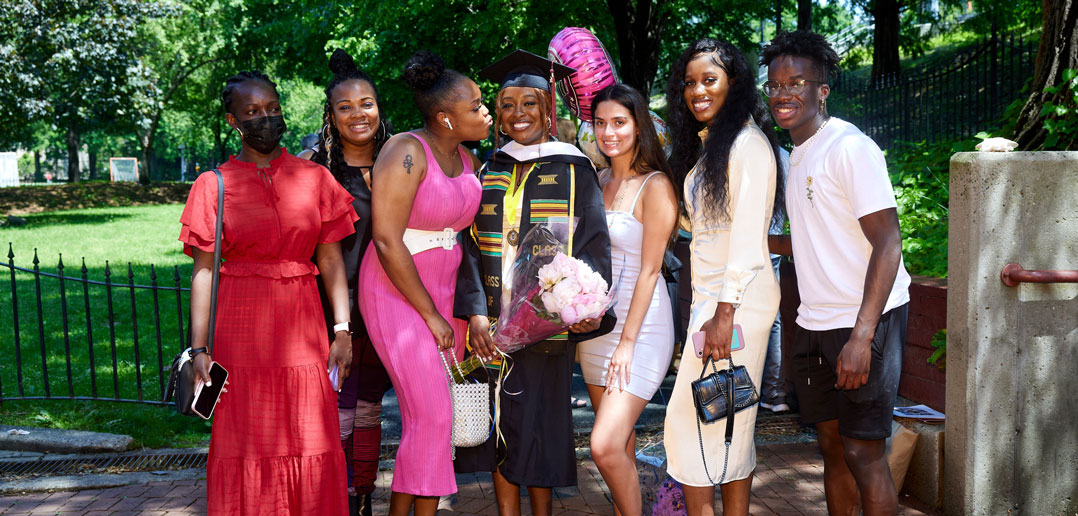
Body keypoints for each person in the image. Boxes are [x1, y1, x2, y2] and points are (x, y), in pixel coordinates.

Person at [181, 70, 356, 515]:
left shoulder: (314, 178)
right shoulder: (212, 185)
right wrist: (199, 347)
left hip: (304, 328)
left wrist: (342, 329)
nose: (266, 119)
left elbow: (332, 260)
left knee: (310, 434)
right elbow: (204, 272)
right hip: (240, 332)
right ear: (231, 121)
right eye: (253, 112)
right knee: (246, 441)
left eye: (273, 109)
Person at [455, 49, 614, 516]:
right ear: (497, 113)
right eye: (507, 104)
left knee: (539, 428)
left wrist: (587, 310)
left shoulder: (574, 168)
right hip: (489, 328)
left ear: (548, 110)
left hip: (546, 327)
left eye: (530, 103)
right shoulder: (488, 169)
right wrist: (476, 313)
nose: (518, 113)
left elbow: (592, 245)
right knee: (501, 430)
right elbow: (466, 246)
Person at [761, 31, 910, 516]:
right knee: (830, 445)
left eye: (796, 82)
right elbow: (810, 240)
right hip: (813, 321)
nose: (783, 93)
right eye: (775, 85)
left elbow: (888, 242)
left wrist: (862, 337)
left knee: (863, 453)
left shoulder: (849, 147)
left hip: (864, 319)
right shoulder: (797, 154)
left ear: (822, 90)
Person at [357, 49, 490, 516]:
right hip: (396, 290)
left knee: (433, 417)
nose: (486, 111)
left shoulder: (470, 160)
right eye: (475, 106)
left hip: (445, 289)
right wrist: (431, 315)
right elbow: (388, 240)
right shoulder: (406, 150)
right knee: (432, 413)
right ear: (445, 118)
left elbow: (466, 240)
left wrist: (468, 311)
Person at [662, 38, 784, 516]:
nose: (697, 91)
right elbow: (708, 228)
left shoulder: (748, 144)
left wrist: (722, 312)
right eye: (689, 82)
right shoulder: (714, 144)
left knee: (696, 422)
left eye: (709, 80)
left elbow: (750, 238)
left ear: (734, 83)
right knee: (727, 417)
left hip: (735, 303)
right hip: (713, 300)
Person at [578, 82, 678, 516]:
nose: (608, 132)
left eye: (619, 122)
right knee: (622, 442)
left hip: (642, 328)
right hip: (596, 329)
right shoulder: (598, 179)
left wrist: (628, 343)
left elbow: (651, 270)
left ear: (639, 126)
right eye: (600, 123)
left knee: (602, 446)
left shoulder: (656, 186)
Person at [305, 49, 394, 516]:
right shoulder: (313, 168)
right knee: (337, 404)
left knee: (370, 405)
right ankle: (333, 497)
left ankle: (362, 497)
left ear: (380, 108)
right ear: (331, 114)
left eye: (366, 103)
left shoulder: (401, 159)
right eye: (345, 106)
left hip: (388, 304)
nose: (357, 114)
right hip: (332, 307)